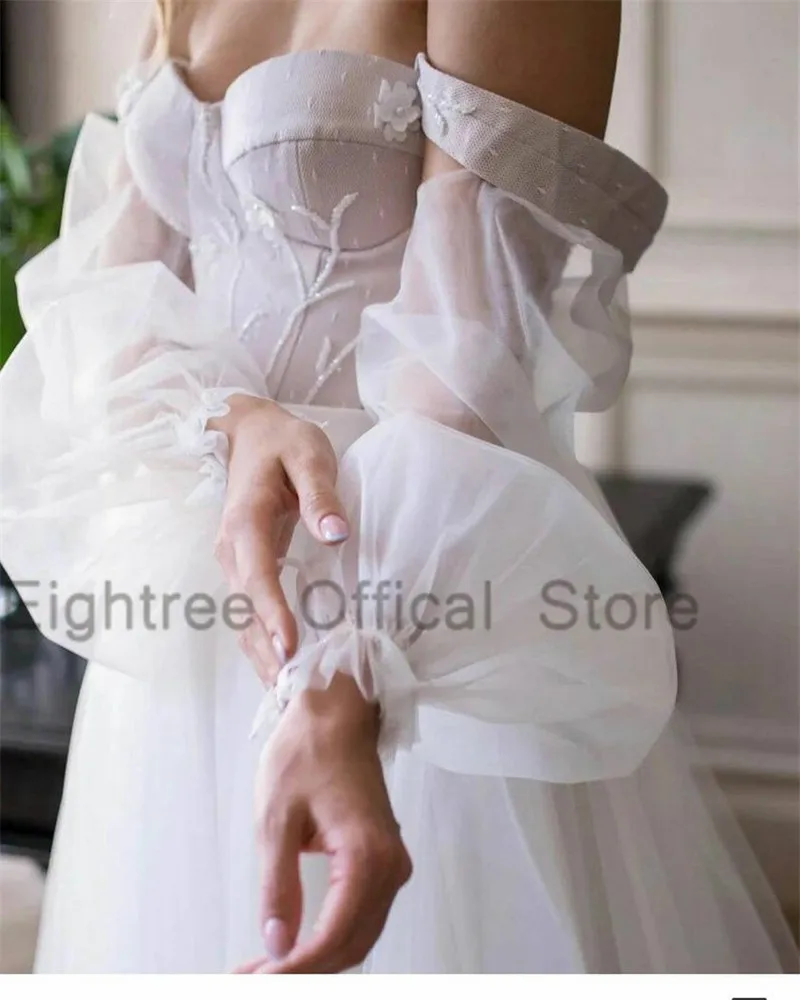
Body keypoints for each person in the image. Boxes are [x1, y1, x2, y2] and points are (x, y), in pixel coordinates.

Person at [0, 0, 796, 974]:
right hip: (194, 623)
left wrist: (351, 677)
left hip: (407, 610)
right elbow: (114, 306)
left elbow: (469, 352)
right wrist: (229, 420)